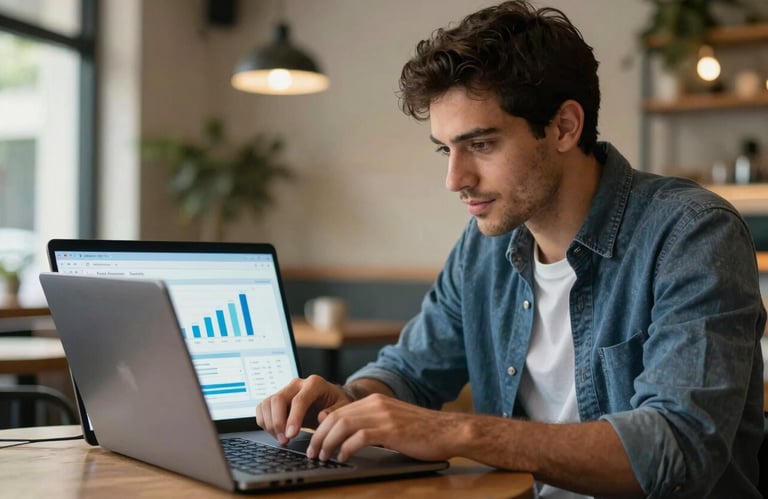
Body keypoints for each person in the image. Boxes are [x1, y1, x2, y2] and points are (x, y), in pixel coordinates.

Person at [257, 1, 766, 497]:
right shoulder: (482, 249)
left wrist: (460, 433)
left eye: (480, 144)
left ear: (565, 127)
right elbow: (410, 372)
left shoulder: (692, 234)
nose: (455, 179)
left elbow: (677, 451)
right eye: (446, 148)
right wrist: (348, 401)